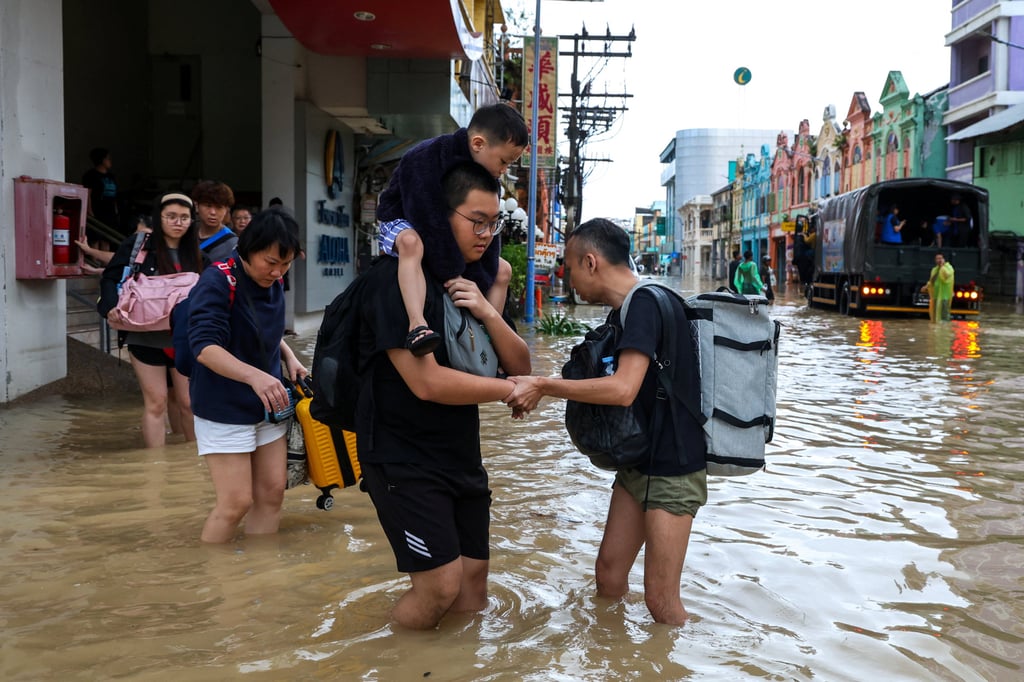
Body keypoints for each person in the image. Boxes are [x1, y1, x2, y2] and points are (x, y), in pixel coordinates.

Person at [356, 161, 531, 629]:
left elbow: (520, 364)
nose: (487, 234)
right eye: (476, 221)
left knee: (473, 586)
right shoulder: (392, 280)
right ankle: (396, 663)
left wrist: (489, 314)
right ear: (438, 212)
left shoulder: (469, 283)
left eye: (494, 223)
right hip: (401, 456)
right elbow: (426, 382)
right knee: (439, 586)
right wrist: (510, 391)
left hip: (458, 454)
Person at [505, 218, 707, 626]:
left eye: (569, 266)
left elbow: (622, 389)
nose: (567, 277)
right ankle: (612, 655)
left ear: (591, 262)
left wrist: (544, 384)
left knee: (661, 603)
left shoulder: (646, 304)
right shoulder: (629, 308)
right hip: (640, 464)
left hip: (673, 469)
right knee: (609, 576)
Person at [187, 206, 306, 543]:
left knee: (272, 494)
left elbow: (262, 329)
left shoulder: (274, 280)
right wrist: (256, 377)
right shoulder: (217, 279)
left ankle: (261, 579)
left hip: (268, 403)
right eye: (271, 262)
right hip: (223, 406)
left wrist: (288, 356)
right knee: (235, 503)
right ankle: (214, 577)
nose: (279, 272)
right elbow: (204, 347)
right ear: (247, 248)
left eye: (286, 264)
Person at [376, 104, 529, 356]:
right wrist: (452, 273)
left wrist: (478, 284)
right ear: (478, 144)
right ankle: (417, 324)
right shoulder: (425, 157)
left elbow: (491, 235)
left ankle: (489, 337)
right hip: (402, 219)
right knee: (412, 244)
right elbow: (428, 218)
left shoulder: (489, 176)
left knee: (502, 269)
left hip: (440, 230)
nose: (504, 170)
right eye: (504, 161)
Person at [97, 193, 204, 448]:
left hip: (183, 339)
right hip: (143, 336)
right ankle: (155, 466)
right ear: (159, 218)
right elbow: (110, 278)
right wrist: (110, 307)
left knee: (188, 403)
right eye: (171, 216)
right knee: (156, 403)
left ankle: (191, 465)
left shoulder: (198, 253)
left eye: (184, 217)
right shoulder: (138, 245)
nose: (178, 222)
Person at [192, 180, 238, 262]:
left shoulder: (232, 244)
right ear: (196, 206)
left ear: (226, 210)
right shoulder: (186, 232)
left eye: (219, 207)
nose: (213, 212)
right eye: (208, 206)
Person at [82, 147, 120, 231]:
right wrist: (89, 210)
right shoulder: (91, 175)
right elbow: (87, 194)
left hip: (110, 212)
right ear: (102, 160)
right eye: (108, 158)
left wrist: (115, 210)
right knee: (95, 238)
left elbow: (114, 195)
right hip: (97, 211)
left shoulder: (111, 176)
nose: (110, 161)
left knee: (107, 239)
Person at [921, 252, 955, 322]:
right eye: (937, 259)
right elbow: (932, 281)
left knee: (944, 316)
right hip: (935, 295)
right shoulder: (934, 269)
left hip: (945, 296)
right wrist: (926, 287)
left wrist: (942, 266)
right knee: (935, 316)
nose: (939, 260)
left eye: (940, 258)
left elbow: (947, 275)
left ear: (944, 259)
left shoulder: (949, 268)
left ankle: (944, 329)